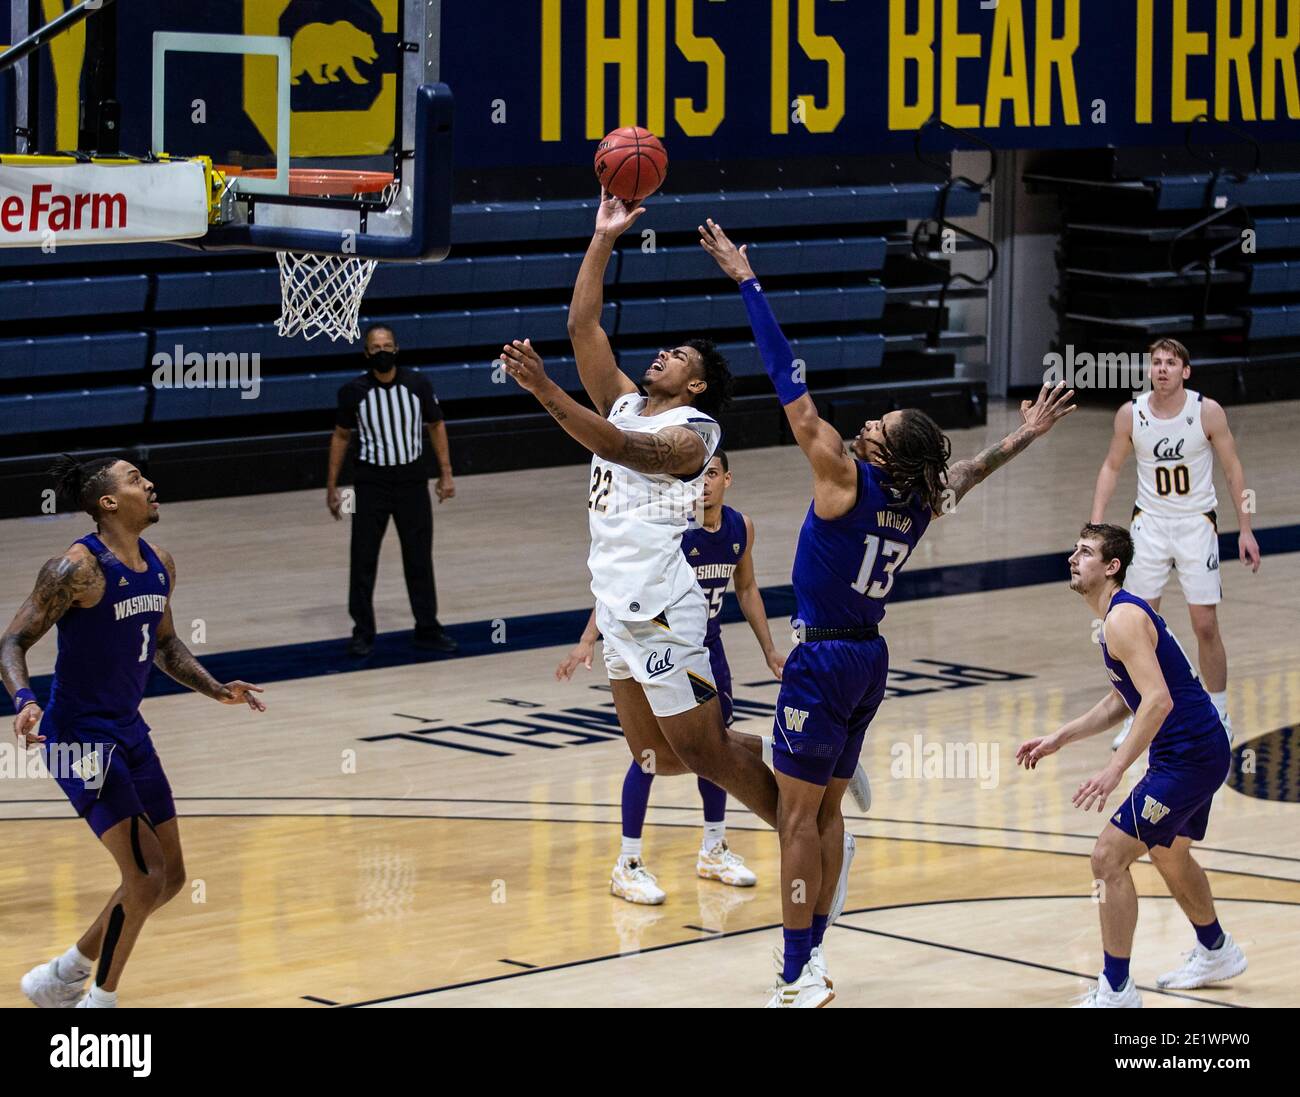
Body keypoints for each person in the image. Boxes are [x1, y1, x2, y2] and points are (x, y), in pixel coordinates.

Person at [698, 216, 1076, 1006]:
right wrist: (1027, 434)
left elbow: (788, 385)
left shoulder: (840, 474)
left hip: (825, 656)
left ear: (882, 454)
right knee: (824, 814)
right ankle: (815, 954)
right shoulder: (920, 500)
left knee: (796, 822)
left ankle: (798, 970)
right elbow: (968, 468)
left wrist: (747, 279)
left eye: (877, 427)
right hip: (869, 658)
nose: (865, 423)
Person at [2, 456, 266, 1008]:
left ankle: (61, 975)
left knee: (168, 879)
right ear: (109, 503)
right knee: (144, 877)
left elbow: (166, 645)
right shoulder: (74, 570)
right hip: (79, 739)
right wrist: (24, 701)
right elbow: (11, 643)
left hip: (129, 731)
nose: (148, 484)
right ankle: (98, 1005)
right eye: (135, 480)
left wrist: (217, 689)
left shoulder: (160, 563)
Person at [1017, 524, 1245, 1008]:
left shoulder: (1121, 619)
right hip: (1196, 749)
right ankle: (1216, 949)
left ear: (1112, 566)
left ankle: (1117, 989)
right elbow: (1127, 698)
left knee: (1107, 857)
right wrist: (1062, 736)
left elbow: (1157, 701)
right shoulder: (1116, 618)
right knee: (1168, 853)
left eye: (1086, 552)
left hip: (1188, 756)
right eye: (1074, 549)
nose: (1073, 558)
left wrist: (1115, 769)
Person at [556, 450, 784, 904]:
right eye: (697, 476)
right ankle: (629, 861)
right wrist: (588, 639)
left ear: (727, 480)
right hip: (654, 642)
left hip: (706, 649)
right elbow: (621, 588)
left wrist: (770, 649)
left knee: (713, 745)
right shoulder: (670, 529)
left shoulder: (741, 528)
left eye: (712, 475)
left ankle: (713, 848)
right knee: (648, 755)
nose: (703, 484)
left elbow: (747, 588)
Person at [1090, 338, 1260, 747]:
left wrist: (1246, 527)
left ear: (1186, 371)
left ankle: (1217, 711)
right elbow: (1111, 466)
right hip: (1148, 525)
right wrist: (1096, 524)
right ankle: (1136, 711)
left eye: (1171, 363)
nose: (1162, 369)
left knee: (1205, 625)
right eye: (1156, 363)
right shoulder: (1131, 414)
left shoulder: (1207, 412)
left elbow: (1234, 469)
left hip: (1195, 525)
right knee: (1135, 626)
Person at [328, 324, 458, 657]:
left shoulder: (417, 384)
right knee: (363, 559)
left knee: (419, 557)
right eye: (375, 347)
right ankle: (363, 632)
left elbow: (437, 425)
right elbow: (341, 437)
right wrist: (332, 485)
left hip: (412, 481)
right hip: (370, 483)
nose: (382, 351)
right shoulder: (353, 391)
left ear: (396, 349)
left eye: (387, 345)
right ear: (367, 353)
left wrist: (445, 474)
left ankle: (427, 628)